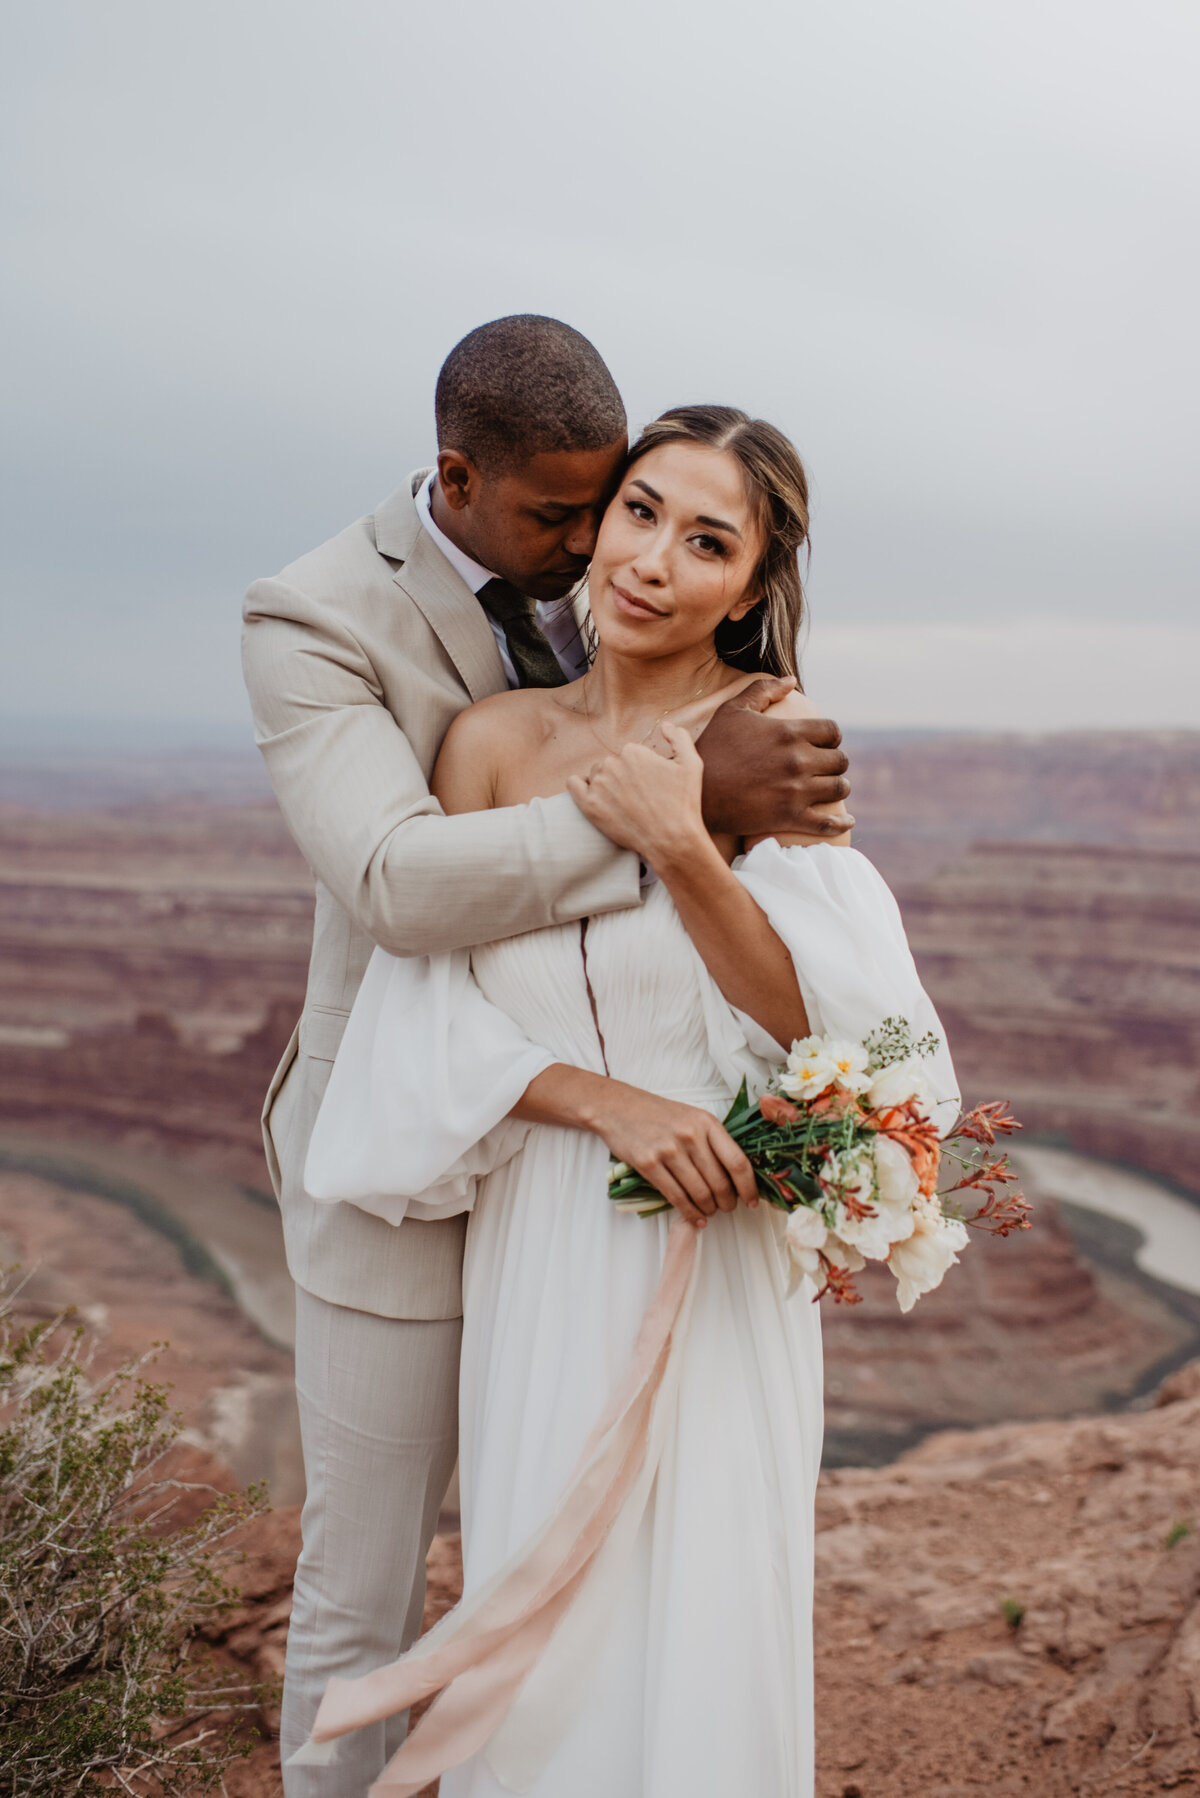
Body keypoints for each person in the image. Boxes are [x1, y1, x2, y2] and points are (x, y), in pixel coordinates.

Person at [293, 405, 956, 1796]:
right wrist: (600, 1101)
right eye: (642, 510)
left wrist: (689, 846)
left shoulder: (774, 733)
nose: (654, 559)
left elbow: (832, 1022)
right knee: (544, 1628)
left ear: (755, 584)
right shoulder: (487, 741)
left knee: (700, 1610)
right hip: (541, 1233)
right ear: (597, 517)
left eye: (707, 539)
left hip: (712, 1244)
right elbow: (428, 1004)